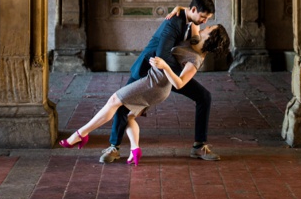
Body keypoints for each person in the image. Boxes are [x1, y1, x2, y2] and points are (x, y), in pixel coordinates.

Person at [59, 21, 230, 166]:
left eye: (209, 28)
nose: (204, 26)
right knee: (128, 114)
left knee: (115, 101)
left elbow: (180, 83)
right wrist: (180, 10)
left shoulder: (196, 59)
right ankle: (134, 149)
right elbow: (190, 18)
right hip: (153, 78)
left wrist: (165, 66)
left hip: (155, 84)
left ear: (211, 38)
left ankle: (81, 135)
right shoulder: (195, 38)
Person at [101, 0, 225, 163]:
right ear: (194, 10)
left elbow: (190, 14)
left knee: (204, 96)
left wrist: (181, 8)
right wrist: (181, 9)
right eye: (203, 18)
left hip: (172, 74)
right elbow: (162, 54)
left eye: (207, 21)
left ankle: (199, 146)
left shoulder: (194, 27)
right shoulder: (175, 22)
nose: (205, 23)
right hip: (151, 68)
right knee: (122, 105)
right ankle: (114, 147)